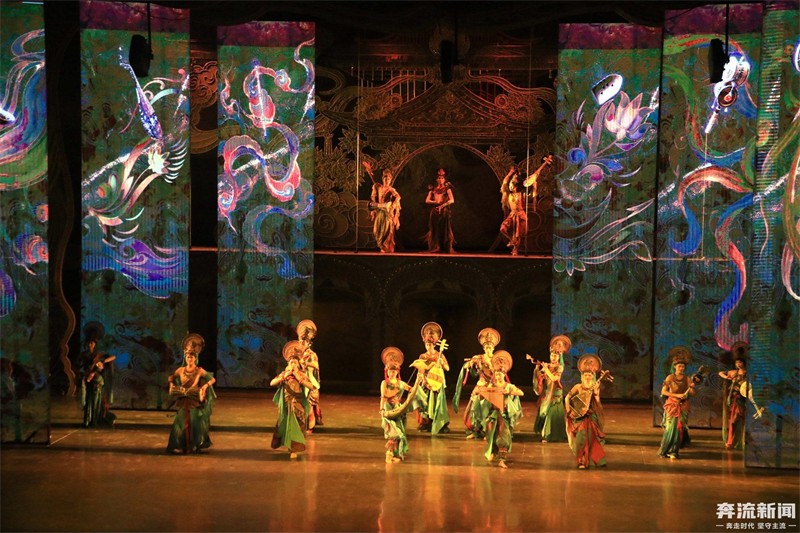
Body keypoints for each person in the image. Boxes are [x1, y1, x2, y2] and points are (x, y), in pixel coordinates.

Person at [166, 333, 215, 453]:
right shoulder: (180, 370)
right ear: (185, 358)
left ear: (195, 358)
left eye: (192, 357)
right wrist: (172, 385)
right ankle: (179, 445)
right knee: (180, 422)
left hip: (194, 400)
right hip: (184, 399)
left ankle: (195, 445)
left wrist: (204, 387)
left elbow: (212, 379)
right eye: (188, 357)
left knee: (195, 422)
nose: (190, 359)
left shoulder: (199, 370)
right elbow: (171, 377)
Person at [270, 340, 317, 459]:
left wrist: (298, 377)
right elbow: (272, 383)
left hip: (297, 405)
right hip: (286, 404)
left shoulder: (301, 374)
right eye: (291, 362)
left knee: (297, 426)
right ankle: (286, 444)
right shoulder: (285, 374)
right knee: (284, 425)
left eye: (294, 362)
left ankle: (293, 449)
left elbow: (311, 386)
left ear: (298, 364)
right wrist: (283, 377)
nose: (292, 364)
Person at [452, 327, 500, 439]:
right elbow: (467, 367)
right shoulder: (478, 357)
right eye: (486, 347)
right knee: (475, 407)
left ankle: (488, 431)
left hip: (493, 386)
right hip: (481, 385)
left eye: (490, 347)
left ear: (493, 348)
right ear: (483, 348)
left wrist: (489, 364)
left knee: (490, 409)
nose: (488, 348)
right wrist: (470, 364)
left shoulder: (497, 359)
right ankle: (476, 430)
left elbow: (499, 373)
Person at [480, 352, 524, 468]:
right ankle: (493, 452)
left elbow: (521, 393)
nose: (498, 376)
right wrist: (482, 392)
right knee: (490, 434)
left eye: (500, 374)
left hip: (503, 415)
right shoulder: (492, 385)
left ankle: (502, 459)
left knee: (503, 437)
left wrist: (509, 392)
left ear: (504, 375)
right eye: (496, 374)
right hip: (493, 414)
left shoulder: (508, 386)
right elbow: (484, 395)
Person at [565, 354, 608, 469]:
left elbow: (597, 402)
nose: (588, 377)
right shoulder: (578, 387)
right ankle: (581, 460)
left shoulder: (594, 387)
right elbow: (567, 397)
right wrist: (569, 410)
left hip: (591, 417)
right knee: (580, 439)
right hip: (579, 417)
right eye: (586, 375)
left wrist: (596, 394)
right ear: (582, 376)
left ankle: (591, 460)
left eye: (590, 375)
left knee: (591, 439)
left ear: (593, 376)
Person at [658, 347, 697, 460]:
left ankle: (674, 451)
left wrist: (692, 388)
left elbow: (693, 394)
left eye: (683, 366)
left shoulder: (687, 379)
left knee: (679, 429)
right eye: (679, 366)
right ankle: (665, 450)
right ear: (674, 367)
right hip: (672, 405)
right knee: (670, 429)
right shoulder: (670, 377)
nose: (681, 368)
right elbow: (663, 392)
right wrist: (677, 395)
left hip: (683, 406)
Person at [411, 322, 450, 434]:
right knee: (425, 402)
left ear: (434, 344)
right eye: (427, 344)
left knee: (437, 403)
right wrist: (424, 380)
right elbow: (421, 370)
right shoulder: (423, 356)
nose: (429, 346)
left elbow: (447, 368)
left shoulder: (439, 355)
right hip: (426, 381)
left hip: (437, 382)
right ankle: (426, 422)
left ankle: (439, 423)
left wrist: (442, 363)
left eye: (431, 344)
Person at [379, 347, 415, 463]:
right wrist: (381, 409)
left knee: (400, 432)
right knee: (394, 432)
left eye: (393, 371)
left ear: (397, 372)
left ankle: (395, 454)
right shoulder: (384, 383)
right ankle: (389, 454)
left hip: (398, 410)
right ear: (387, 371)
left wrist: (420, 378)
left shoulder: (401, 383)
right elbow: (383, 397)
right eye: (390, 371)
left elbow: (412, 390)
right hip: (388, 409)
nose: (391, 373)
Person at [531, 335, 569, 443]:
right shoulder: (547, 366)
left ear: (559, 357)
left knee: (551, 413)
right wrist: (537, 370)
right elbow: (540, 377)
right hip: (547, 392)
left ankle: (548, 435)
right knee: (544, 412)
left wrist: (546, 370)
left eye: (555, 356)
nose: (553, 357)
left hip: (555, 393)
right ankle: (544, 432)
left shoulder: (559, 367)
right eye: (552, 355)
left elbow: (554, 378)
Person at [718, 342, 748, 450]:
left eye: (740, 362)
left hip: (744, 399)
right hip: (735, 400)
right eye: (737, 362)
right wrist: (727, 378)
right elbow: (720, 373)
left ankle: (741, 442)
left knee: (742, 420)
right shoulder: (733, 372)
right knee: (734, 420)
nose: (738, 364)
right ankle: (732, 440)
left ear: (743, 363)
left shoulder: (748, 373)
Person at [80, 339, 117, 428]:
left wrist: (102, 362)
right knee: (88, 400)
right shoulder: (83, 355)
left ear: (95, 344)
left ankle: (95, 420)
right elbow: (78, 366)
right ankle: (88, 421)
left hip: (97, 382)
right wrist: (84, 375)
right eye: (88, 343)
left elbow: (113, 357)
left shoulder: (98, 355)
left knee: (96, 402)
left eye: (92, 343)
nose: (90, 345)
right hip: (88, 380)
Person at [297, 319, 323, 431]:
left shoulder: (311, 354)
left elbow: (316, 365)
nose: (303, 344)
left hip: (309, 381)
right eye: (301, 341)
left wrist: (306, 363)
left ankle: (309, 426)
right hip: (299, 380)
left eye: (305, 342)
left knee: (309, 403)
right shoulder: (297, 353)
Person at [368, 168, 402, 253]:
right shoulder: (378, 187)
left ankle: (386, 247)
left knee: (387, 230)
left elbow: (398, 197)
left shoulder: (391, 189)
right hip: (379, 211)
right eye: (385, 178)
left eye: (389, 179)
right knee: (376, 230)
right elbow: (373, 197)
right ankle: (382, 245)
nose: (387, 180)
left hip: (387, 212)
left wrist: (393, 205)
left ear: (390, 180)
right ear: (382, 178)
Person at [499, 165, 529, 256]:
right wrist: (510, 173)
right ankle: (511, 240)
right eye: (510, 183)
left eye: (512, 183)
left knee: (517, 233)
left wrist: (534, 184)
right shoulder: (508, 194)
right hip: (512, 214)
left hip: (520, 214)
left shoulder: (521, 194)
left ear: (516, 185)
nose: (510, 185)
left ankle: (515, 249)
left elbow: (531, 195)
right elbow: (505, 182)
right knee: (503, 228)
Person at [424, 168, 455, 253]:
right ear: (436, 179)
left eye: (442, 178)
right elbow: (427, 200)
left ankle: (445, 246)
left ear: (444, 179)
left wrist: (442, 205)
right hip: (435, 210)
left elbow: (452, 200)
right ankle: (436, 246)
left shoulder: (447, 189)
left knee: (443, 228)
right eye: (439, 178)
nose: (440, 179)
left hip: (444, 210)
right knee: (435, 228)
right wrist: (435, 202)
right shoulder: (433, 190)